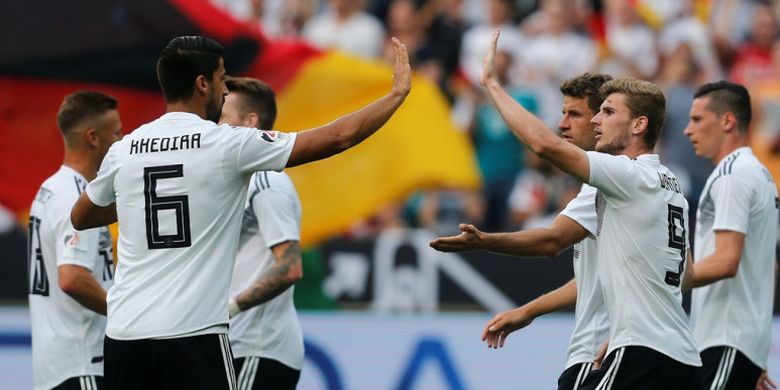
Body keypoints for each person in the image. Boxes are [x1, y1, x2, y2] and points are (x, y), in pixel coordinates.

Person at [69, 35, 411, 389]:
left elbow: (81, 216)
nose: (224, 91)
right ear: (202, 84)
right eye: (221, 79)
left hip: (125, 334)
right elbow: (337, 137)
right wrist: (394, 96)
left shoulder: (126, 149)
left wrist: (134, 201)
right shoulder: (226, 143)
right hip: (192, 332)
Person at [477, 30, 701, 389]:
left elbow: (550, 233)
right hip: (676, 351)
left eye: (604, 113)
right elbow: (685, 272)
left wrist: (491, 85)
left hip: (622, 351)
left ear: (638, 124)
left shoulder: (623, 176)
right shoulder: (669, 183)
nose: (595, 121)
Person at [430, 72, 612, 390]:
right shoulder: (652, 180)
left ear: (600, 120)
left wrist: (483, 241)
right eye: (562, 113)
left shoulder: (613, 182)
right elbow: (595, 279)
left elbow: (551, 240)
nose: (563, 124)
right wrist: (528, 311)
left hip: (599, 355)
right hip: (621, 349)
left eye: (574, 114)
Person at [683, 81, 778, 390]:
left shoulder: (732, 175)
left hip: (726, 339)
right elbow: (768, 264)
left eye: (697, 119)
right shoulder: (761, 174)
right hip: (741, 343)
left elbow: (726, 261)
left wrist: (662, 283)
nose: (688, 130)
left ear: (727, 121)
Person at [28, 91, 122, 389]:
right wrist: (127, 312)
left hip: (58, 364)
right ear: (93, 138)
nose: (122, 140)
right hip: (83, 363)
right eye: (117, 132)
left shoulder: (49, 190)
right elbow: (72, 278)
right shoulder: (77, 198)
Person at [219, 76, 304, 389]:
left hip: (257, 346)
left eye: (222, 118)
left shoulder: (266, 180)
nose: (215, 127)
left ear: (250, 122)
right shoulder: (235, 181)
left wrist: (231, 307)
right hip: (232, 344)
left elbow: (289, 266)